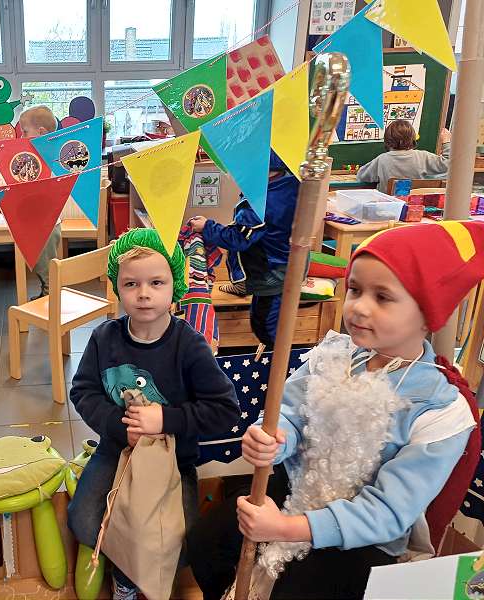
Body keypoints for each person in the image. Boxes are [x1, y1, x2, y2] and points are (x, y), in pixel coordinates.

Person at [187, 221, 484, 600]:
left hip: (361, 534)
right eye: (355, 290)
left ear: (427, 313)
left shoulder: (439, 409)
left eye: (382, 297)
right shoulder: (334, 355)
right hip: (295, 488)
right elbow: (289, 412)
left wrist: (286, 528)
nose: (358, 307)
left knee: (297, 589)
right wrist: (273, 438)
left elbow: (388, 513)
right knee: (208, 542)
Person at [67, 228, 240, 600]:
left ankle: (132, 575)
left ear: (175, 285)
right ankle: (125, 575)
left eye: (156, 282)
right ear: (117, 287)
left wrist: (166, 420)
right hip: (116, 452)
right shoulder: (104, 338)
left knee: (181, 541)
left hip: (174, 461)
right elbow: (83, 391)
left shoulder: (189, 345)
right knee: (82, 521)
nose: (144, 293)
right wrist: (119, 427)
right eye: (131, 283)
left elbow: (225, 409)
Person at [189, 151, 300, 348]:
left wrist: (206, 226)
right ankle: (242, 287)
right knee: (269, 312)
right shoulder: (289, 183)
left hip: (271, 272)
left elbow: (237, 239)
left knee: (264, 323)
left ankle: (277, 356)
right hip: (284, 263)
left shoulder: (260, 203)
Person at [18, 105, 63, 299]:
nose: (21, 137)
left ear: (41, 133)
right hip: (39, 222)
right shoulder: (34, 155)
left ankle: (51, 302)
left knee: (47, 269)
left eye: (25, 132)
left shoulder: (47, 154)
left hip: (47, 225)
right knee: (39, 264)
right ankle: (46, 295)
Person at [357, 120, 451, 193]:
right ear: (413, 138)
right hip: (413, 207)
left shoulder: (382, 159)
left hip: (388, 208)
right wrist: (446, 141)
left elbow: (361, 176)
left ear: (387, 139)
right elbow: (448, 164)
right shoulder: (423, 157)